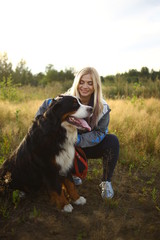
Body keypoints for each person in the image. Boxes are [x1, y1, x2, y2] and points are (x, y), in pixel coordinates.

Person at [35, 67, 119, 199]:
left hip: (83, 144)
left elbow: (100, 132)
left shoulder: (102, 107)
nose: (85, 86)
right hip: (62, 147)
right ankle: (70, 174)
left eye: (90, 83)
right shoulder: (63, 100)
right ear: (76, 83)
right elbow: (41, 116)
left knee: (112, 141)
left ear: (96, 86)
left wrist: (78, 140)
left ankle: (106, 182)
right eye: (81, 82)